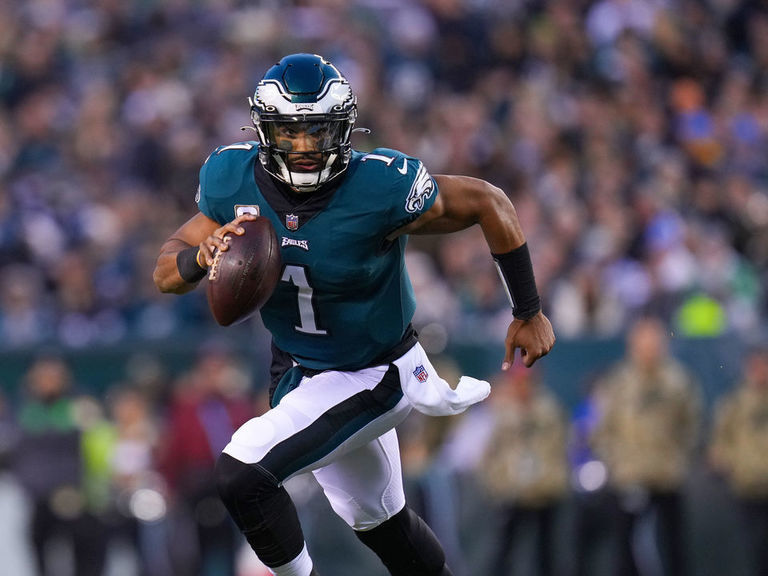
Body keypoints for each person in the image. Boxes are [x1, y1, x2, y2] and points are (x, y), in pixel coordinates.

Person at [153, 53, 555, 576]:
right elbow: (165, 271)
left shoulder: (380, 188)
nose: (302, 148)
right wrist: (198, 257)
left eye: (317, 132)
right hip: (297, 371)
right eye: (290, 132)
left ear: (342, 129)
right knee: (385, 526)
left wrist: (527, 309)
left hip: (373, 370)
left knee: (242, 470)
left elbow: (488, 201)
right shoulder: (232, 179)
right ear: (263, 130)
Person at [590, 316, 701, 576]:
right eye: (644, 340)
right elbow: (602, 428)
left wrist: (679, 458)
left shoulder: (678, 381)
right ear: (633, 344)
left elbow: (691, 424)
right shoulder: (619, 382)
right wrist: (616, 461)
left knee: (672, 548)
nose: (650, 347)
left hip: (668, 476)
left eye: (654, 340)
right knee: (627, 551)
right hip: (630, 476)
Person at [478, 365, 568, 576]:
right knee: (504, 552)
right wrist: (497, 484)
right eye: (518, 382)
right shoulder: (500, 413)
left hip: (544, 491)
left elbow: (560, 448)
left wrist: (552, 480)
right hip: (511, 493)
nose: (522, 387)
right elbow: (488, 455)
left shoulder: (549, 410)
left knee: (547, 553)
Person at [709, 344, 768, 576]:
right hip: (748, 486)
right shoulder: (734, 403)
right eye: (755, 366)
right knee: (756, 548)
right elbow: (719, 443)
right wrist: (733, 463)